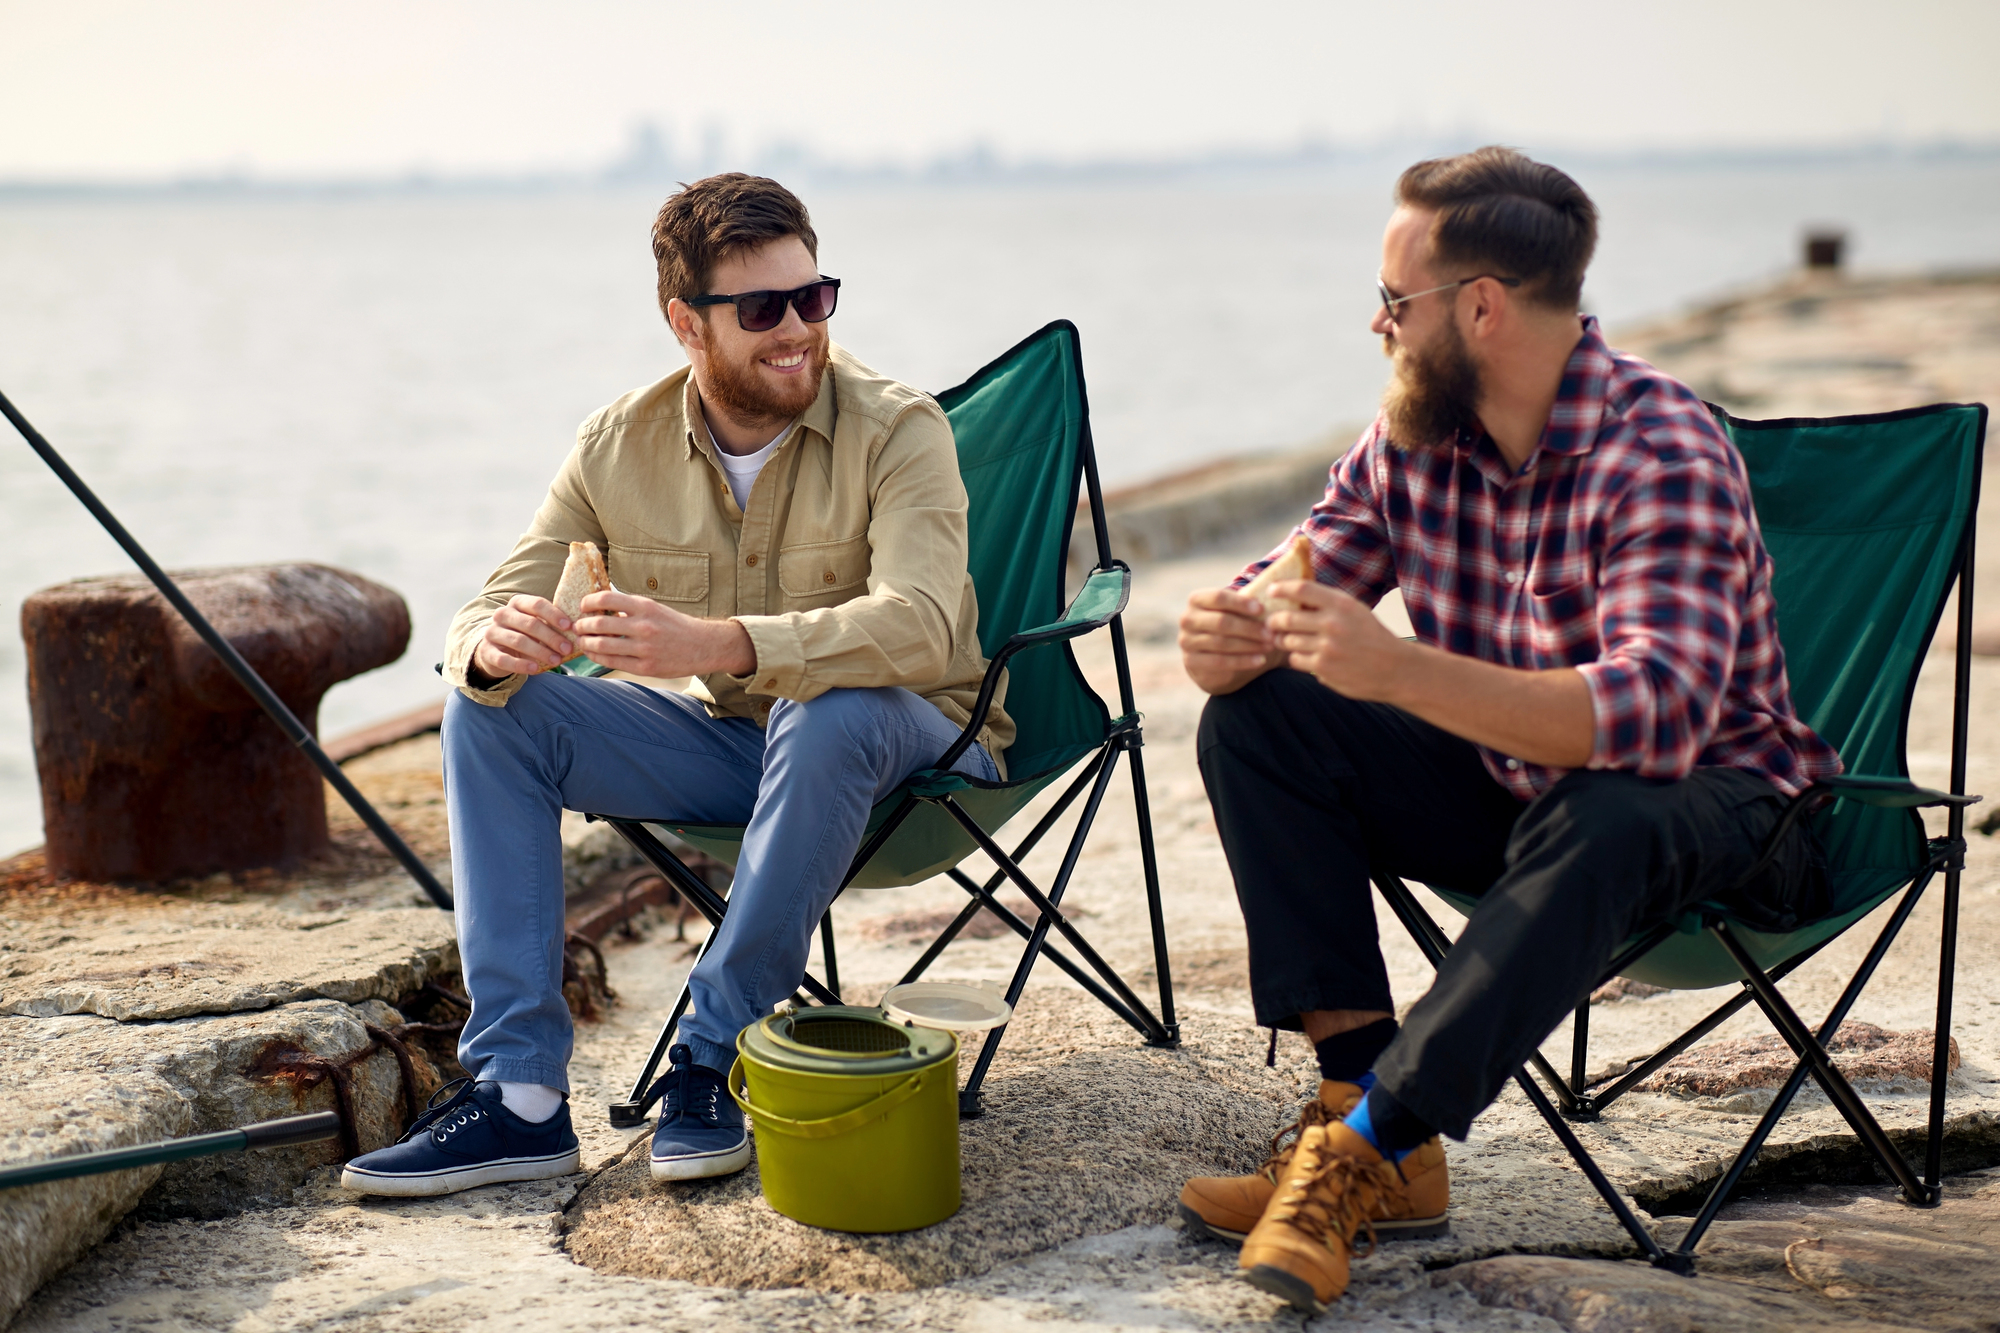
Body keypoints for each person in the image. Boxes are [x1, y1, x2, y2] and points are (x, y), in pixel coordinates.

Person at [1173, 147, 1840, 1313]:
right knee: (1261, 717)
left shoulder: (1659, 448)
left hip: (1727, 817)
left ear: (1476, 309)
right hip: (1521, 801)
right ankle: (1366, 1117)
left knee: (1607, 800)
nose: (1372, 324)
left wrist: (1398, 668)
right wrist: (1230, 632)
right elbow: (1292, 581)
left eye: (1392, 301)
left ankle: (1358, 1151)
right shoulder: (1411, 440)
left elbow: (1656, 717)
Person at [340, 173, 1011, 1197]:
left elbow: (920, 631)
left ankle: (713, 1052)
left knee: (828, 705)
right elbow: (490, 601)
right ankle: (518, 1096)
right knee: (489, 710)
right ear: (684, 323)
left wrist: (719, 641)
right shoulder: (618, 443)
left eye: (813, 296)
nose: (797, 329)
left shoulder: (897, 429)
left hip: (921, 751)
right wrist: (494, 642)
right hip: (757, 759)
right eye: (762, 308)